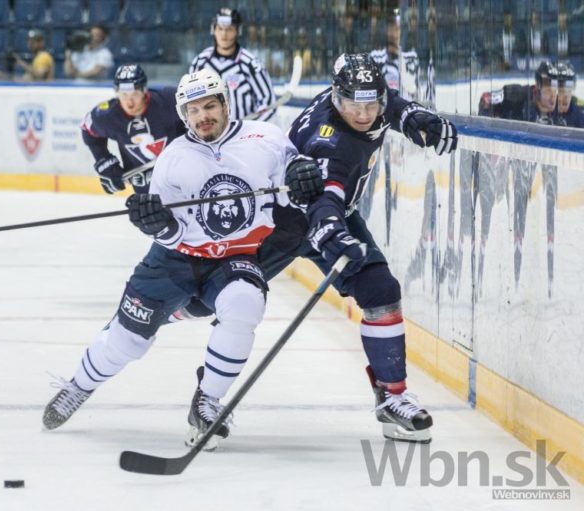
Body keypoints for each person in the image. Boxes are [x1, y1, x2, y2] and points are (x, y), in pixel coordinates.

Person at [175, 53, 458, 444]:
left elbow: (385, 101)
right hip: (283, 223)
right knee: (213, 300)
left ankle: (392, 397)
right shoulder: (330, 144)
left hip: (333, 214)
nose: (364, 115)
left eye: (371, 105)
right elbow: (325, 202)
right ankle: (202, 391)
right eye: (354, 106)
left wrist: (410, 115)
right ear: (337, 99)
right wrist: (332, 233)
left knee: (380, 290)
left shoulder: (355, 97)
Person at [42, 68, 318, 450]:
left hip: (236, 256)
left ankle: (207, 402)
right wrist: (156, 223)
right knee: (127, 341)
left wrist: (302, 174)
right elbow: (171, 234)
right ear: (184, 115)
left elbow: (292, 181)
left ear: (225, 104)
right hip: (175, 259)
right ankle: (79, 386)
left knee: (244, 304)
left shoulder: (266, 138)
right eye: (193, 110)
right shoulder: (173, 158)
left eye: (210, 106)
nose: (203, 116)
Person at [80, 64, 187, 194]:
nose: (129, 102)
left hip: (184, 186)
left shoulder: (168, 100)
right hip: (146, 197)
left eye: (134, 94)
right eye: (124, 95)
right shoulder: (109, 115)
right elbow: (86, 128)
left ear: (144, 90)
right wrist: (104, 161)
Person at [189, 7, 276, 121]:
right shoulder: (200, 62)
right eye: (220, 28)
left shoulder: (250, 64)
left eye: (229, 29)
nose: (224, 34)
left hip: (242, 131)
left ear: (238, 31)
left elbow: (268, 102)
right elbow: (189, 101)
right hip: (208, 130)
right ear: (213, 30)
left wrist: (251, 128)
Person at [478, 60, 558, 124]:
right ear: (537, 87)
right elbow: (486, 99)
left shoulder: (560, 107)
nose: (553, 97)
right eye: (548, 90)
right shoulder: (515, 93)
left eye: (555, 91)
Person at [554, 61, 584, 127]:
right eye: (561, 91)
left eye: (569, 90)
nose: (566, 96)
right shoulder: (541, 110)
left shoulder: (581, 109)